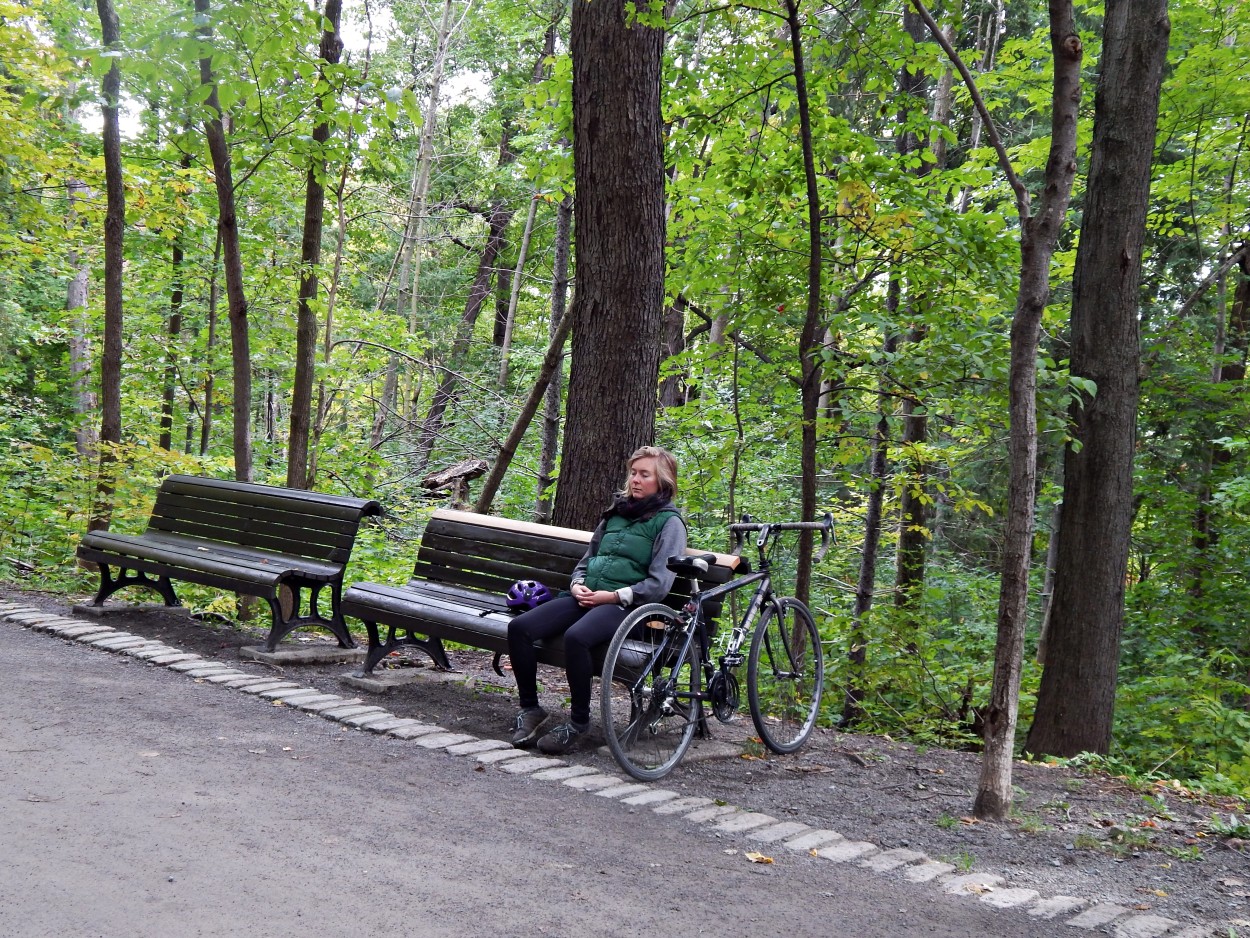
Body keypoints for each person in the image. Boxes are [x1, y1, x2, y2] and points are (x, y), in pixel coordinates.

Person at [507, 446, 687, 755]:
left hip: (629, 608)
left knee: (577, 637)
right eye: (633, 473)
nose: (636, 480)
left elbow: (659, 584)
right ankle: (532, 709)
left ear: (663, 481)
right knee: (520, 627)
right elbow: (587, 560)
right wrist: (577, 585)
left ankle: (578, 723)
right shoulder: (615, 514)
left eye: (645, 475)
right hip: (587, 597)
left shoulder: (669, 523)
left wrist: (613, 596)